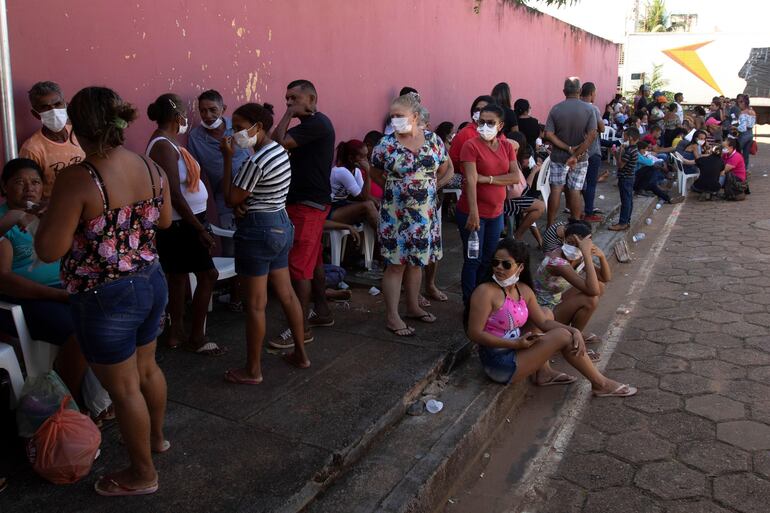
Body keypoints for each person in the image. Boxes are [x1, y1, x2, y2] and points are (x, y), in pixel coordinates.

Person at [35, 86, 172, 497]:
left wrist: (53, 219)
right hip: (151, 280)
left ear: (78, 125)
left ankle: (142, 475)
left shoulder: (79, 177)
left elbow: (48, 249)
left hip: (105, 294)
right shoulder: (150, 166)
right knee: (147, 370)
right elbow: (163, 223)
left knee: (124, 388)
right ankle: (156, 440)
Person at [0, 158, 109, 420]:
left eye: (35, 182)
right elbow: (3, 280)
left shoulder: (48, 216)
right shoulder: (6, 222)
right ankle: (68, 401)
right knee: (80, 330)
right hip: (24, 299)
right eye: (19, 182)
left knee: (107, 317)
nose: (29, 188)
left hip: (64, 289)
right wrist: (58, 295)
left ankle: (99, 397)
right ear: (4, 188)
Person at [467, 238, 635, 397]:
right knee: (562, 336)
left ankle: (545, 372)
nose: (499, 268)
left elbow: (544, 322)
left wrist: (574, 330)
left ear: (520, 267)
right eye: (495, 262)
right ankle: (600, 384)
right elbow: (474, 333)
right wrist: (514, 343)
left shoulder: (523, 289)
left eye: (506, 264)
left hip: (516, 346)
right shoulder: (485, 292)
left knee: (548, 315)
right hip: (499, 362)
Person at [218, 102, 309, 384]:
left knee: (256, 304)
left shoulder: (255, 160)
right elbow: (257, 195)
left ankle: (253, 370)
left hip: (259, 230)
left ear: (258, 127)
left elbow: (232, 197)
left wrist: (227, 158)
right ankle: (301, 354)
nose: (234, 134)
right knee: (287, 294)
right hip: (280, 225)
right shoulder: (279, 151)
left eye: (240, 127)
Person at [146, 94, 222, 355]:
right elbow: (174, 194)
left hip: (185, 222)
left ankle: (176, 332)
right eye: (185, 115)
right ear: (178, 117)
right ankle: (196, 336)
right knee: (208, 275)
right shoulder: (162, 145)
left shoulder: (170, 142)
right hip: (182, 224)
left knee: (178, 277)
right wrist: (199, 228)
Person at [370, 93, 450, 336]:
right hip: (395, 214)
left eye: (400, 116)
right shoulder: (386, 144)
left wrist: (430, 187)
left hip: (424, 215)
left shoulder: (433, 141)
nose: (395, 121)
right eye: (392, 117)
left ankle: (413, 306)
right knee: (395, 265)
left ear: (415, 117)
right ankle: (393, 316)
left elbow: (445, 167)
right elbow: (374, 172)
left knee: (417, 263)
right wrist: (397, 189)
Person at [270, 80, 335, 348]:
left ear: (311, 98)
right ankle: (321, 312)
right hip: (308, 202)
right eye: (286, 99)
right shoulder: (309, 125)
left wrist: (286, 114)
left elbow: (277, 141)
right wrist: (290, 112)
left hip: (308, 204)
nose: (288, 103)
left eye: (294, 99)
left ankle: (300, 328)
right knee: (313, 260)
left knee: (298, 267)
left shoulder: (317, 124)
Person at [457, 104, 522, 303]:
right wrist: (474, 213)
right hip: (473, 212)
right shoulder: (471, 146)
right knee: (473, 260)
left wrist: (488, 179)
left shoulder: (506, 147)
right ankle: (470, 302)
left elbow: (514, 177)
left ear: (500, 125)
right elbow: (470, 181)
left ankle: (483, 299)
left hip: (496, 213)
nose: (484, 126)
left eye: (490, 122)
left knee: (490, 259)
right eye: (481, 122)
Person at [533, 223, 612, 352]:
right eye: (570, 242)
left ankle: (574, 334)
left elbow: (605, 278)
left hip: (556, 300)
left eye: (578, 244)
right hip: (544, 313)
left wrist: (601, 256)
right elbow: (592, 291)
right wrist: (586, 254)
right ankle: (574, 342)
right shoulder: (557, 262)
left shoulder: (576, 257)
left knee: (600, 285)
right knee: (590, 299)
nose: (574, 247)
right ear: (564, 240)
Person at [187, 89, 250, 234]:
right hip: (223, 199)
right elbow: (196, 173)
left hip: (250, 194)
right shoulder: (195, 138)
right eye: (203, 111)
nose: (208, 116)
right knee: (229, 245)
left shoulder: (237, 127)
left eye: (212, 110)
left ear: (223, 109)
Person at [544, 77, 598, 227]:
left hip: (558, 157)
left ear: (564, 92)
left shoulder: (556, 109)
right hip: (580, 158)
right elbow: (592, 135)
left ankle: (549, 226)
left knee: (556, 188)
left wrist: (567, 148)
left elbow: (548, 134)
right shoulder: (589, 109)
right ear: (580, 91)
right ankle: (576, 228)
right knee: (575, 189)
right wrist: (575, 154)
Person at [18, 81, 85, 199]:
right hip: (55, 209)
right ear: (36, 114)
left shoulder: (81, 134)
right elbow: (30, 191)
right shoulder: (32, 149)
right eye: (45, 107)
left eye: (57, 104)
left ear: (66, 105)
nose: (53, 110)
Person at [327, 139, 379, 230]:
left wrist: (378, 203)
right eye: (363, 157)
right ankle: (384, 239)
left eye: (367, 156)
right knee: (368, 205)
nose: (366, 160)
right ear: (351, 158)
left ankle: (379, 240)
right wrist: (368, 173)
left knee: (375, 205)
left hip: (342, 206)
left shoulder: (356, 171)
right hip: (330, 210)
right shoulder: (341, 171)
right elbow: (364, 198)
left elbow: (364, 193)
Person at [504, 145, 545, 246]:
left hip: (510, 199)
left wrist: (533, 172)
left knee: (533, 207)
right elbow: (523, 191)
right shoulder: (515, 166)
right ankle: (518, 235)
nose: (529, 161)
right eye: (527, 158)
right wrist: (534, 172)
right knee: (540, 207)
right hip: (509, 202)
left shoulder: (515, 164)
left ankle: (520, 236)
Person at [449, 95, 498, 171]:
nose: (480, 112)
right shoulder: (465, 133)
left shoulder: (496, 131)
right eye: (477, 109)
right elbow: (454, 161)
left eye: (484, 109)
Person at [579, 83, 605, 223]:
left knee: (576, 183)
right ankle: (588, 211)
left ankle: (575, 210)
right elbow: (601, 128)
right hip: (592, 151)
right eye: (595, 93)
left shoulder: (574, 106)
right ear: (591, 93)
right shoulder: (593, 108)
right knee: (590, 183)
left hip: (576, 151)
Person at [609, 127, 640, 231]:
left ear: (630, 137)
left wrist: (619, 152)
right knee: (628, 199)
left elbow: (620, 165)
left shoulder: (629, 150)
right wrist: (617, 153)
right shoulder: (633, 149)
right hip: (630, 177)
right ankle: (627, 221)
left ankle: (622, 222)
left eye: (625, 135)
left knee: (625, 200)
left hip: (625, 178)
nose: (624, 137)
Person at [735, 95, 756, 169]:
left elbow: (742, 128)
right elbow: (752, 124)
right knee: (746, 154)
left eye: (740, 102)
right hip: (750, 134)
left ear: (744, 103)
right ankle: (745, 170)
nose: (738, 104)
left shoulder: (743, 113)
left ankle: (738, 169)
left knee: (736, 152)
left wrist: (735, 127)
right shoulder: (752, 111)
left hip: (743, 135)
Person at [363, 130, 385, 202]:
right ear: (368, 145)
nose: (380, 153)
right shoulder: (359, 166)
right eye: (378, 149)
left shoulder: (376, 163)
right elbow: (362, 195)